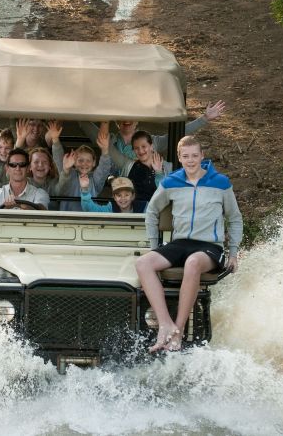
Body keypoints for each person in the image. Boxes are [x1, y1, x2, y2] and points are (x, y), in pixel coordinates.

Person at [135, 135, 243, 353]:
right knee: (143, 264)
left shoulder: (221, 183)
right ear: (179, 157)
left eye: (195, 155)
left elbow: (234, 217)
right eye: (186, 156)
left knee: (193, 263)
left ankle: (179, 330)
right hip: (181, 243)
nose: (191, 160)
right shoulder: (171, 182)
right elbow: (152, 211)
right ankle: (165, 324)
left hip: (210, 247)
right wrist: (155, 245)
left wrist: (233, 253)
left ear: (202, 156)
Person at [79, 100, 226, 161]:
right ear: (116, 122)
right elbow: (85, 124)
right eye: (122, 117)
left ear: (137, 121)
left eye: (131, 117)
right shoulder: (108, 140)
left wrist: (204, 118)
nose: (126, 120)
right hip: (117, 191)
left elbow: (178, 133)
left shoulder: (152, 141)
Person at [53, 124, 111, 211]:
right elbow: (60, 161)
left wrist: (105, 150)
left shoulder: (95, 179)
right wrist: (55, 140)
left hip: (89, 221)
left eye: (88, 161)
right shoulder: (69, 173)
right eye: (80, 160)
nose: (84, 164)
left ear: (94, 163)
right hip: (67, 220)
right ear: (74, 162)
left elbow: (104, 169)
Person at [108, 129, 173, 204]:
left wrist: (158, 172)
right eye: (136, 148)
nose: (141, 151)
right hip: (134, 213)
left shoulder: (169, 167)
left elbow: (165, 197)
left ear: (151, 147)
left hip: (157, 213)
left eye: (144, 146)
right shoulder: (129, 166)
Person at [79, 176, 146, 213]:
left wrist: (157, 171)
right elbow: (89, 209)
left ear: (133, 196)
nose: (123, 198)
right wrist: (84, 189)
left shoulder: (144, 208)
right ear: (114, 197)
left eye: (126, 195)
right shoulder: (110, 209)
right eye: (119, 195)